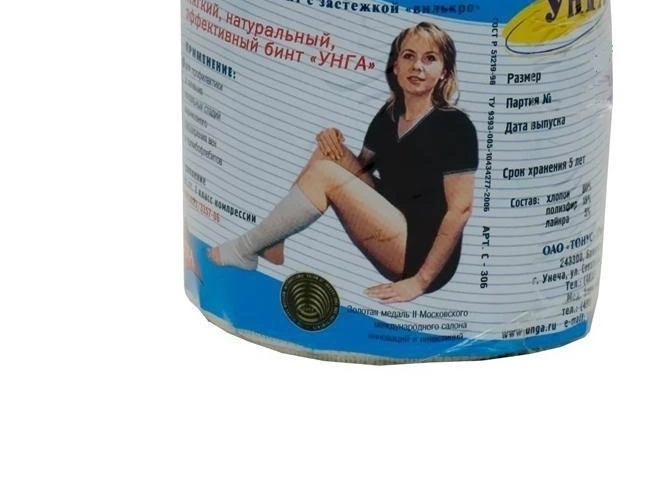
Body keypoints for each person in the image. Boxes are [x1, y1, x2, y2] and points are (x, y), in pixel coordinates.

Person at [205, 21, 478, 303]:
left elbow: (461, 210)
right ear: (395, 66)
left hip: (421, 254)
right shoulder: (389, 115)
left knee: (326, 173)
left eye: (430, 58)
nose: (417, 66)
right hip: (393, 218)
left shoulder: (455, 126)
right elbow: (359, 172)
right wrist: (331, 139)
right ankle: (273, 241)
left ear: (444, 72)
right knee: (328, 154)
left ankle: (245, 248)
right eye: (409, 56)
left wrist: (419, 282)